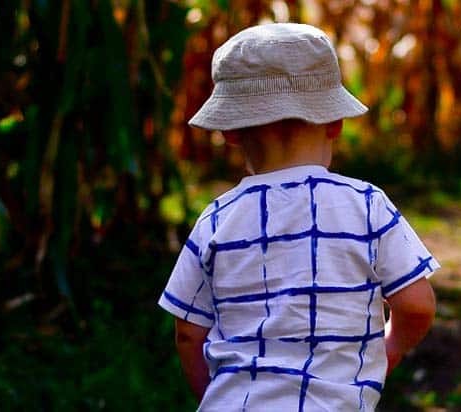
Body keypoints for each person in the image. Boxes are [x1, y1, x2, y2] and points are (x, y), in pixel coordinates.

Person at [158, 23, 439, 411]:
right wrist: (391, 348)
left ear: (231, 133)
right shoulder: (368, 204)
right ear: (336, 124)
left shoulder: (216, 219)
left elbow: (189, 333)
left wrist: (213, 397)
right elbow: (418, 305)